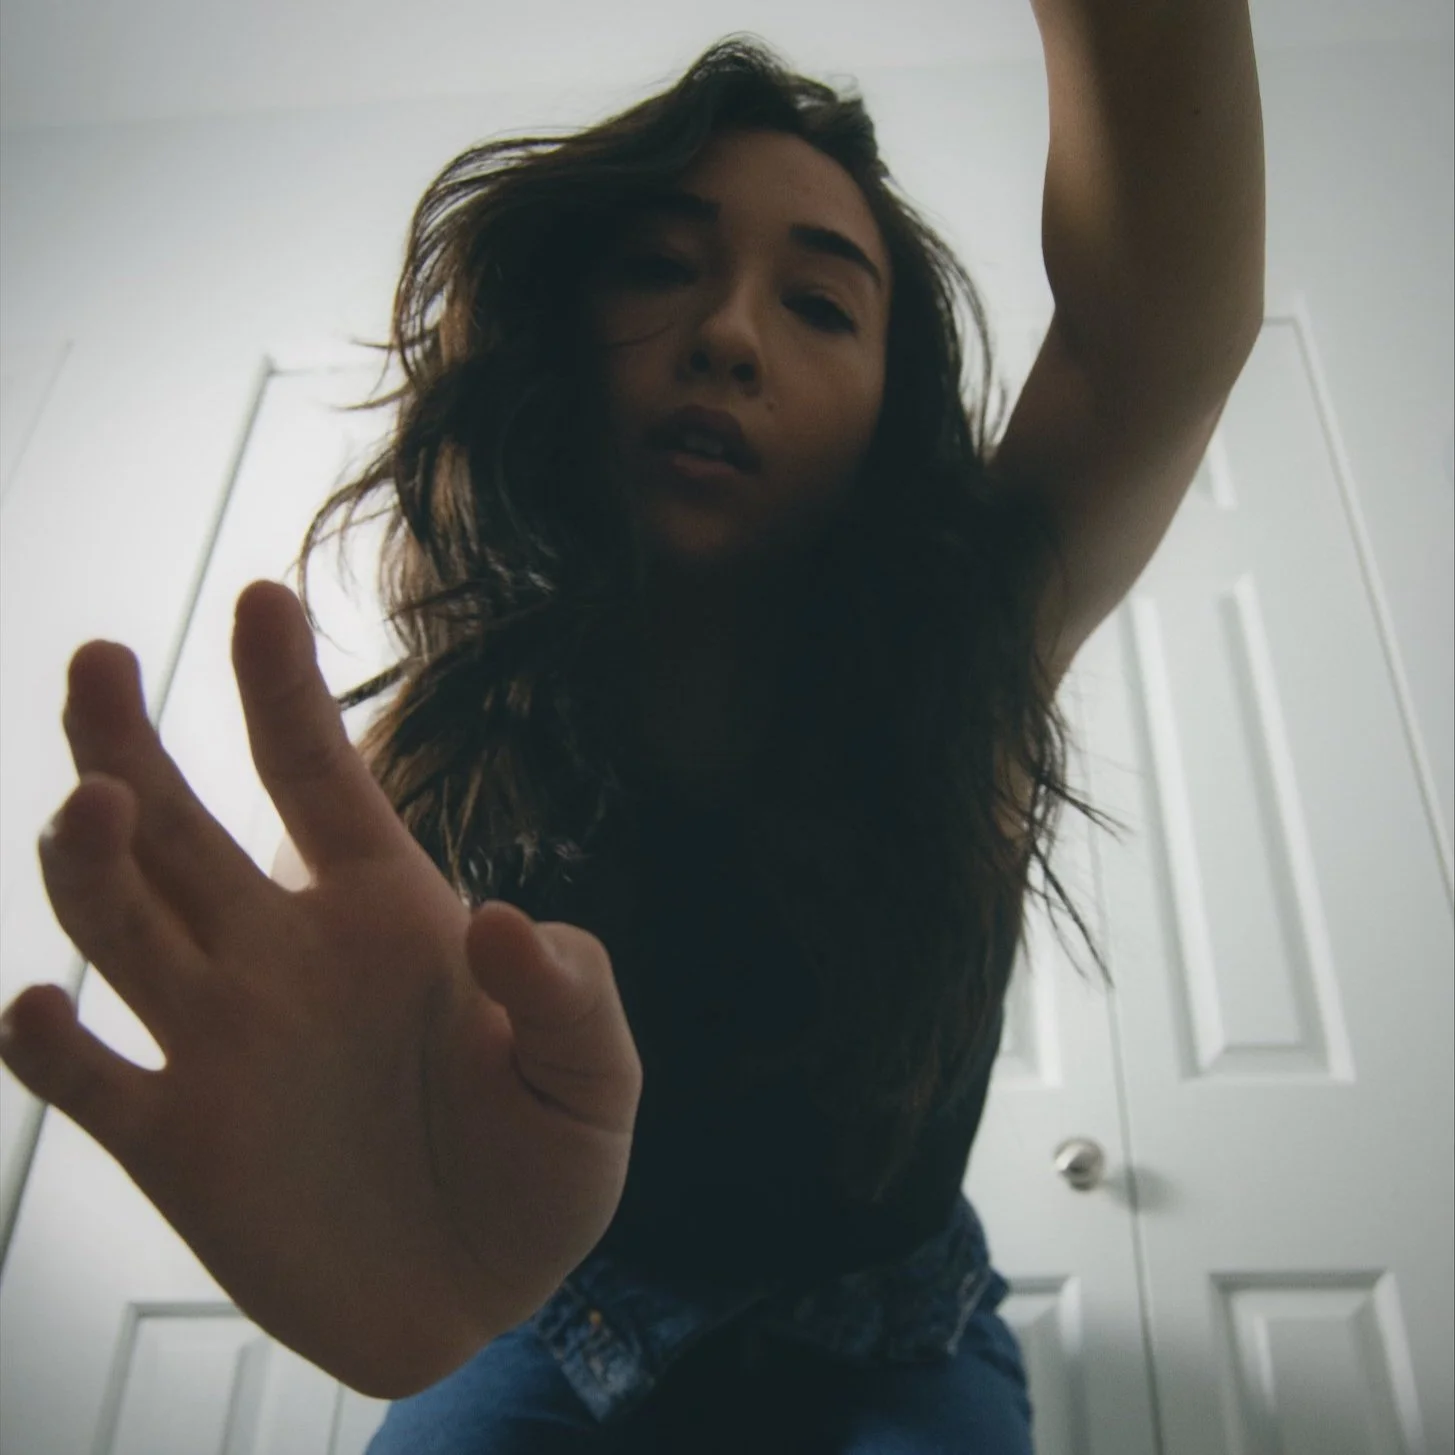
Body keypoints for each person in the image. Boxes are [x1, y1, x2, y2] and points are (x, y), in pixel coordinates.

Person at [4, 35, 1132, 1454]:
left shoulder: (973, 685)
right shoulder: (412, 778)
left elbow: (1146, 332)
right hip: (531, 1312)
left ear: (887, 412)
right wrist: (382, 1239)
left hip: (899, 1339)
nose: (728, 334)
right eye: (659, 265)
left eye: (819, 303)